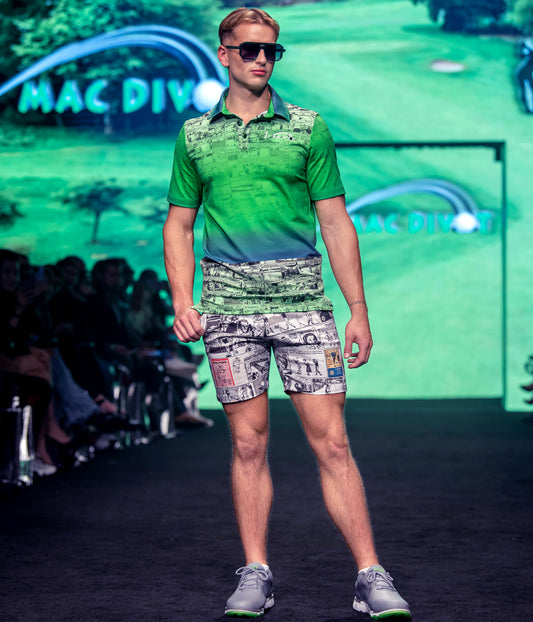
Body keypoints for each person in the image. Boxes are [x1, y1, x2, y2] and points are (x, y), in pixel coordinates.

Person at [163, 7, 411, 619]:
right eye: (249, 49)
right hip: (229, 314)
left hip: (304, 308)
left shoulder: (307, 127)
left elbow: (335, 221)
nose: (261, 59)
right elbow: (180, 224)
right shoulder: (194, 136)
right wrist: (182, 300)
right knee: (248, 444)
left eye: (271, 50)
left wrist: (358, 309)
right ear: (223, 53)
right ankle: (256, 573)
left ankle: (370, 575)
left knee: (334, 443)